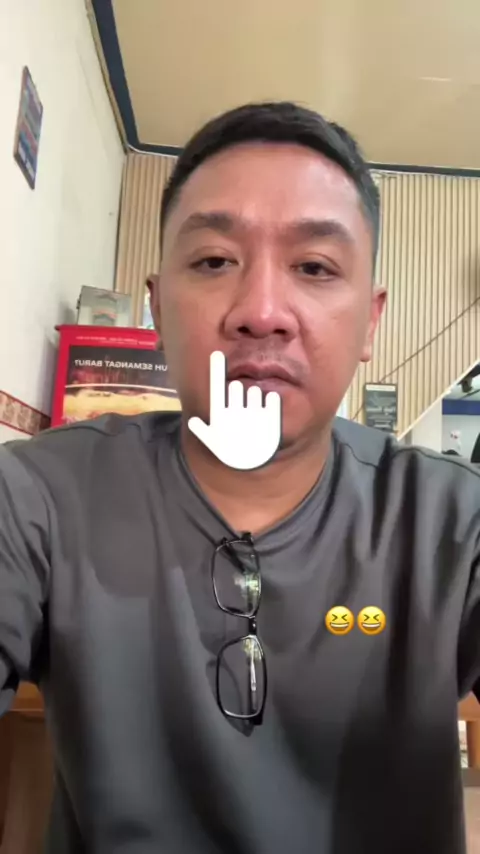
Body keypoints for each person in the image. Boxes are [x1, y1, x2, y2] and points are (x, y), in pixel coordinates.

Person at [1, 101, 479, 854]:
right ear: (158, 310)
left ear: (370, 321)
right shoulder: (37, 497)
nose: (261, 312)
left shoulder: (452, 520)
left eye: (314, 267)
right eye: (214, 261)